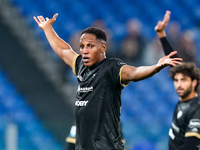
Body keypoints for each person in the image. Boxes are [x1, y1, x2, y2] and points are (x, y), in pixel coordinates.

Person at [33, 13, 182, 150]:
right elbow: (63, 50)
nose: (84, 50)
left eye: (90, 46)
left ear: (103, 47)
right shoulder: (80, 65)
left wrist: (156, 67)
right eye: (82, 46)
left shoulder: (111, 68)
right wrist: (47, 29)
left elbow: (134, 72)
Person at [155, 10, 200, 149]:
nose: (179, 84)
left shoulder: (196, 109)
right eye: (176, 80)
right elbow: (175, 61)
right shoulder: (183, 103)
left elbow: (190, 145)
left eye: (184, 80)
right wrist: (162, 35)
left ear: (194, 82)